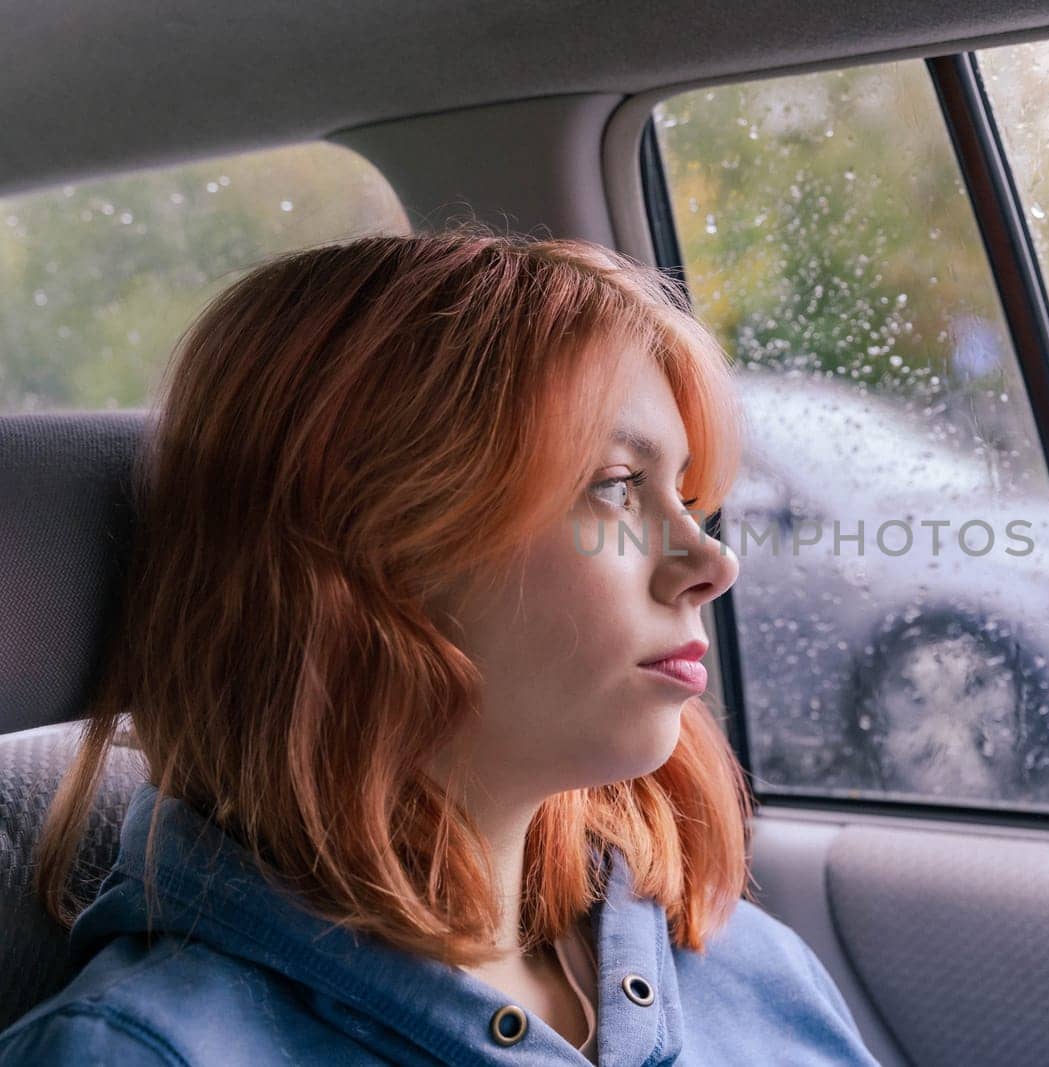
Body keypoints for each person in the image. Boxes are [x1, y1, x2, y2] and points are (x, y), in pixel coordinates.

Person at [0, 229, 881, 1065]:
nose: (712, 562)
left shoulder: (751, 966)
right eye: (616, 487)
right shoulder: (141, 1050)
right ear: (368, 549)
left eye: (686, 493)